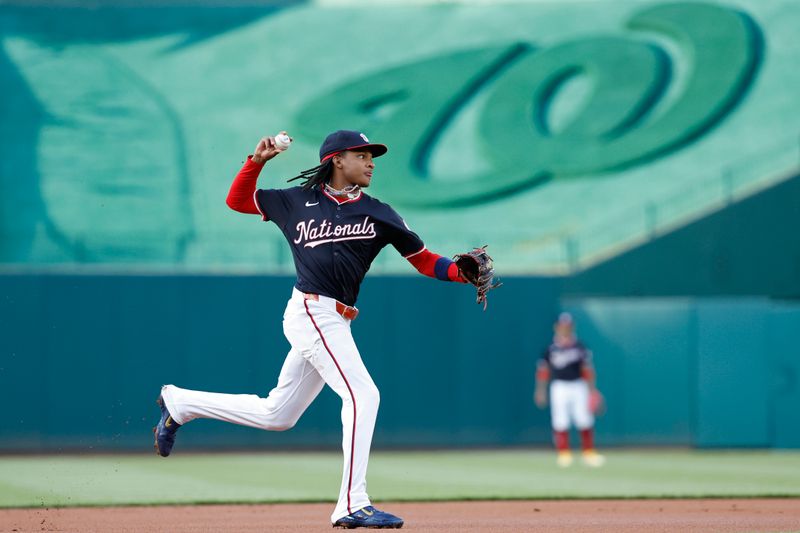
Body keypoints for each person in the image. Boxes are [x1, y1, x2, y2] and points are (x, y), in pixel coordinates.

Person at [153, 129, 471, 529]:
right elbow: (236, 201)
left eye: (372, 156)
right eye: (363, 154)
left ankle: (180, 403)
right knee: (363, 395)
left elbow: (423, 259)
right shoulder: (294, 202)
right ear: (337, 159)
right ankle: (353, 503)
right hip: (310, 311)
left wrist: (460, 272)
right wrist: (257, 162)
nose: (372, 161)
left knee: (278, 414)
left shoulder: (379, 212)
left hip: (337, 320)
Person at [534, 312, 605, 468]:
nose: (565, 329)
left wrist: (592, 390)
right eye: (562, 326)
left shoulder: (580, 347)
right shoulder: (550, 349)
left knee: (584, 418)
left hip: (578, 385)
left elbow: (588, 370)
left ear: (572, 327)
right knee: (560, 419)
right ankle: (564, 453)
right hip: (559, 386)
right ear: (556, 327)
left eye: (568, 326)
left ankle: (588, 453)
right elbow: (542, 372)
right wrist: (540, 391)